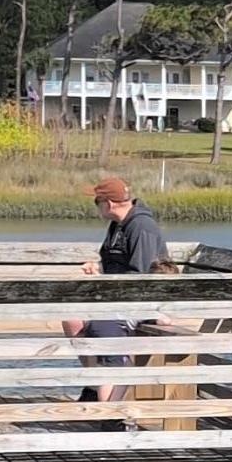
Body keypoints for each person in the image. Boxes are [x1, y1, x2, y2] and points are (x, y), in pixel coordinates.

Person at [64, 171, 173, 402]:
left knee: (102, 328)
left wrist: (103, 283)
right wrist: (98, 269)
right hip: (116, 296)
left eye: (97, 202)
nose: (96, 207)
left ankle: (108, 396)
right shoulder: (116, 225)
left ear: (110, 203)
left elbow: (140, 277)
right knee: (72, 320)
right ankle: (94, 384)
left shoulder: (141, 227)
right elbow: (114, 263)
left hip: (140, 300)